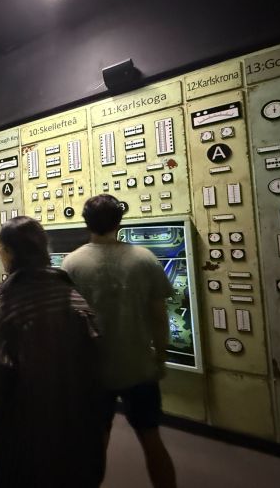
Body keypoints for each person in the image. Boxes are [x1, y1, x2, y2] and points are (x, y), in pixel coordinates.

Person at [0, 216, 107, 487]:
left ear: (8, 252)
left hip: (23, 444)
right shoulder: (75, 297)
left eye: (0, 249)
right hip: (78, 433)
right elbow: (95, 369)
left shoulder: (1, 304)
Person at [62, 194, 177, 488]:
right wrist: (160, 357)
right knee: (152, 440)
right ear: (119, 221)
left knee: (95, 445)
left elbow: (68, 322)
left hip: (93, 372)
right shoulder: (145, 259)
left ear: (86, 222)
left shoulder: (71, 264)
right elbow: (159, 317)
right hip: (139, 368)